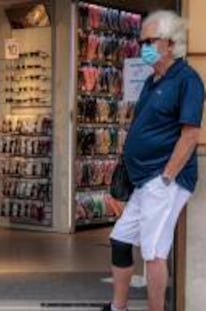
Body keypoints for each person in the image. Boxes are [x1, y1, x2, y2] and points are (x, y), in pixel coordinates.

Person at [103, 10, 205, 311]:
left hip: (164, 180)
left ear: (171, 44)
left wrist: (166, 177)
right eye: (141, 41)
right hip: (143, 180)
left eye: (150, 40)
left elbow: (189, 135)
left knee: (154, 253)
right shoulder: (152, 80)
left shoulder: (187, 80)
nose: (143, 47)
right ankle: (118, 307)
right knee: (120, 240)